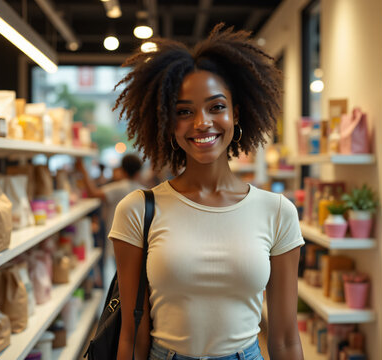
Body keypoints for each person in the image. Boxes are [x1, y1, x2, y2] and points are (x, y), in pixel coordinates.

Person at [109, 24, 305, 360]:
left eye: (216, 107)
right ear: (168, 123)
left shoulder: (277, 212)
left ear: (236, 113)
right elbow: (131, 334)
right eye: (184, 112)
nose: (202, 123)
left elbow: (286, 339)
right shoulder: (138, 210)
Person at [76, 154, 144, 239]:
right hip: (137, 239)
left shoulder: (119, 188)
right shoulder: (144, 191)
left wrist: (83, 170)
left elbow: (92, 193)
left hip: (116, 238)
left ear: (122, 170)